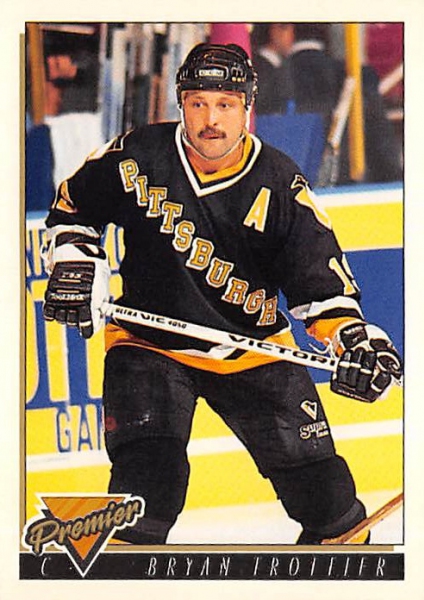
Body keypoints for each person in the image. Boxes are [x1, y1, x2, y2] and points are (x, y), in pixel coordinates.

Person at [42, 43, 402, 545]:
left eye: (226, 105)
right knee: (145, 491)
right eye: (198, 103)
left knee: (330, 504)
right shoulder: (136, 156)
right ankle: (117, 570)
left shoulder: (279, 183)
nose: (211, 119)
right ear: (181, 104)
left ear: (247, 108)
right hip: (148, 345)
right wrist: (76, 260)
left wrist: (356, 343)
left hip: (254, 350)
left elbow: (321, 287)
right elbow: (72, 210)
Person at [253, 23, 403, 184]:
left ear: (288, 29)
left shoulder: (269, 80)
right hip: (357, 188)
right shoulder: (357, 76)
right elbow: (385, 155)